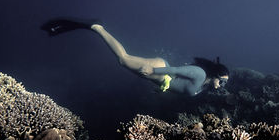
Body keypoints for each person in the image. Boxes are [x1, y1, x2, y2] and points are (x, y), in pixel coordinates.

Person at [41, 19, 229, 96]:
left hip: (159, 77)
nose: (222, 85)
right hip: (158, 69)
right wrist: (153, 71)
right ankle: (96, 27)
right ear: (216, 75)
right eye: (222, 81)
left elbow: (177, 82)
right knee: (123, 58)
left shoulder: (204, 86)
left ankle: (91, 27)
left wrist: (162, 87)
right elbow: (175, 70)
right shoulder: (200, 75)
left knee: (123, 60)